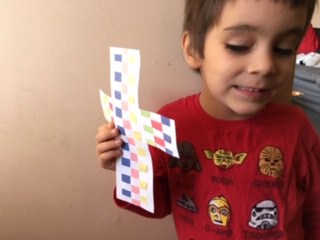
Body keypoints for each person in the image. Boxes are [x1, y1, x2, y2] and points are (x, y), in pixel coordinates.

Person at [96, 0, 320, 239]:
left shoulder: (297, 128)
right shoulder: (171, 125)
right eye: (239, 46)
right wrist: (125, 163)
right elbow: (157, 204)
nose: (265, 66)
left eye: (284, 49)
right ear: (193, 50)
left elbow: (315, 210)